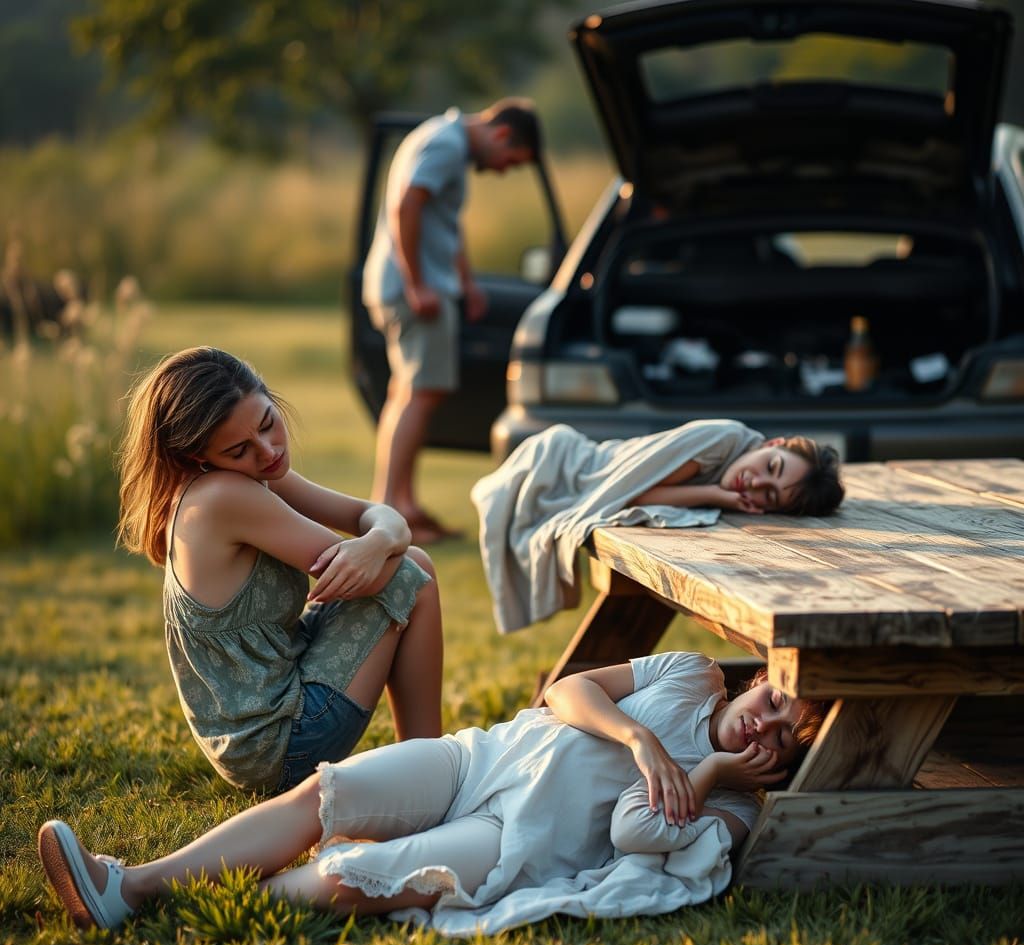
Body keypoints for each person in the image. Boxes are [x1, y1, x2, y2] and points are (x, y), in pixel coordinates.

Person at [38, 650, 828, 936]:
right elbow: (569, 689)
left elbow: (632, 839)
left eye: (782, 743)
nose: (763, 733)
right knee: (328, 793)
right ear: (756, 681)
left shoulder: (729, 804)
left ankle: (182, 901)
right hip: (478, 762)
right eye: (770, 708)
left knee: (357, 879)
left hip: (513, 841)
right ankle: (131, 884)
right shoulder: (690, 673)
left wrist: (713, 774)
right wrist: (639, 737)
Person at [115, 347, 443, 793]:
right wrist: (382, 544)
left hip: (257, 737)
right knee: (413, 574)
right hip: (282, 743)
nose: (267, 451)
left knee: (407, 564)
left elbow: (373, 515)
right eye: (239, 449)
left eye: (268, 422)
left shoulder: (248, 474)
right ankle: (431, 770)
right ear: (197, 458)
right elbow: (388, 571)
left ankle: (426, 762)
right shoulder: (224, 497)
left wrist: (380, 540)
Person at [472, 418, 845, 633]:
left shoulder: (738, 465)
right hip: (564, 469)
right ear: (774, 443)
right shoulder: (724, 440)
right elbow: (634, 495)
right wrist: (716, 495)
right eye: (771, 466)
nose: (755, 483)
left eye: (771, 496)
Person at [362, 98, 541, 544]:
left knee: (406, 391)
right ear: (501, 134)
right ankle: (392, 505)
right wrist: (417, 284)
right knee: (422, 392)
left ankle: (400, 503)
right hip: (414, 290)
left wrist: (467, 281)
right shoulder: (445, 146)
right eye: (509, 161)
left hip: (410, 284)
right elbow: (408, 206)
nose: (502, 170)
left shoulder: (444, 142)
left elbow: (444, 222)